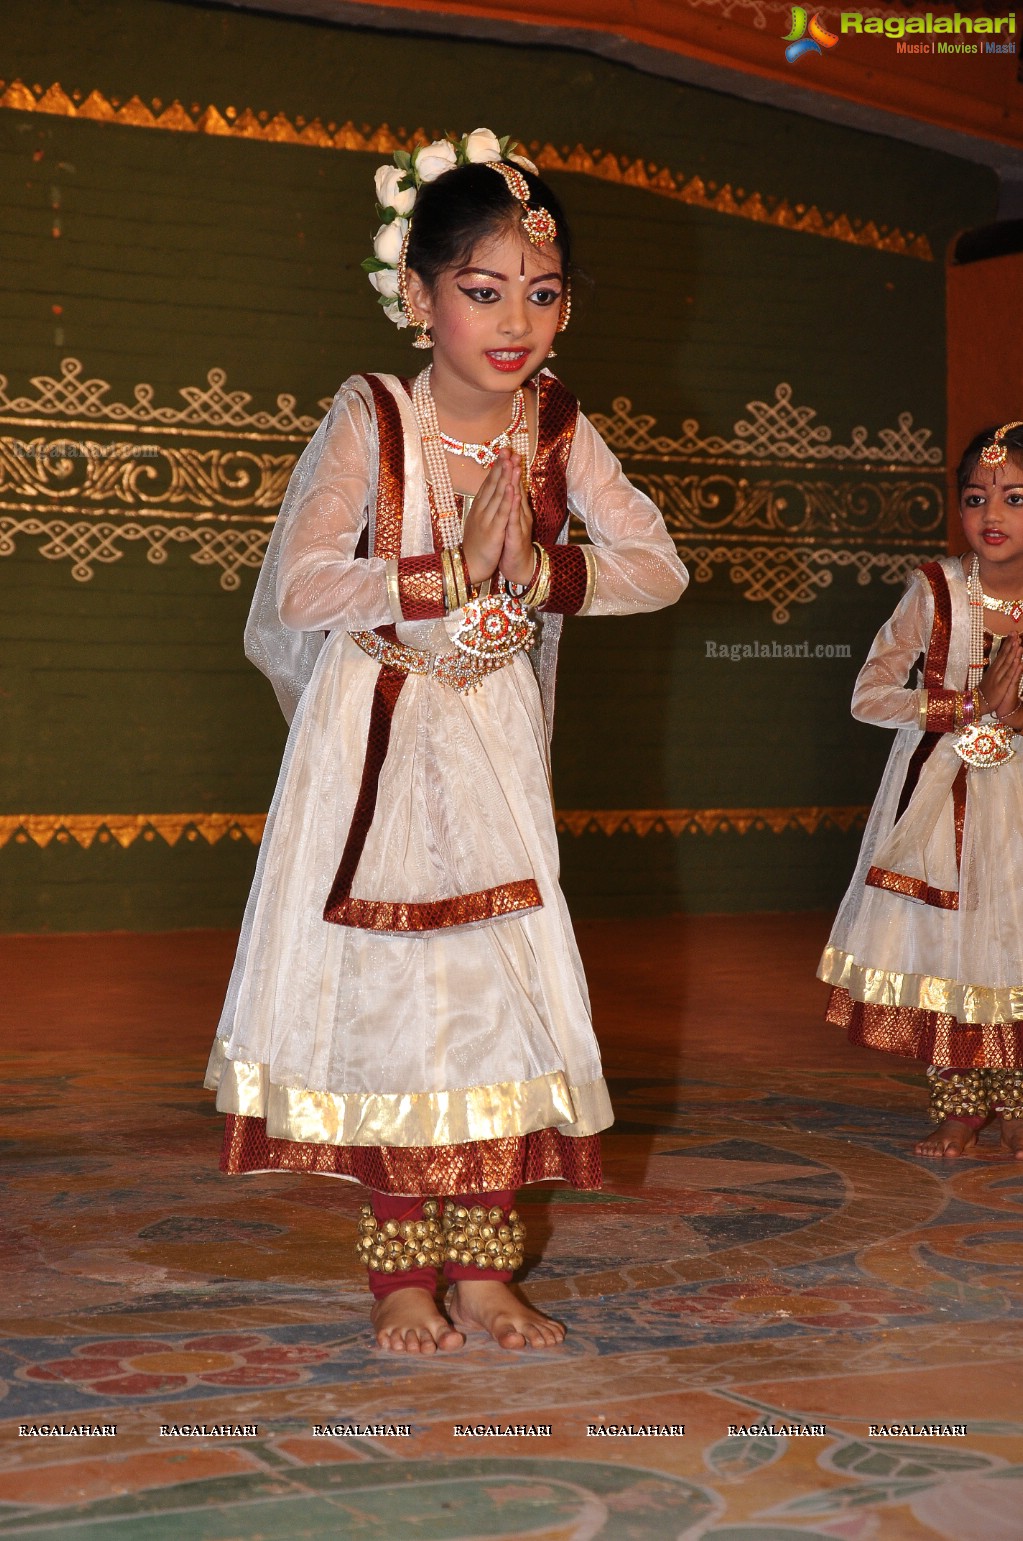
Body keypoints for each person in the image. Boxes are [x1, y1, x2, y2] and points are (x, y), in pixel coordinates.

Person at [204, 129, 688, 1351]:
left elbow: (660, 568)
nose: (514, 318)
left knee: (493, 991)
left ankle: (482, 1266)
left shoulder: (560, 429)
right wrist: (441, 571)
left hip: (487, 747)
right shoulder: (372, 414)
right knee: (392, 993)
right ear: (418, 296)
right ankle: (400, 1277)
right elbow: (304, 587)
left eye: (540, 290)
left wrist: (541, 564)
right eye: (482, 291)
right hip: (370, 744)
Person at [820, 420, 1023, 1159]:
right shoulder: (936, 590)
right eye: (975, 497)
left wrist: (1016, 713)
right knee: (953, 944)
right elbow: (867, 694)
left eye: (1013, 498)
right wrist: (962, 708)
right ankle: (962, 1106)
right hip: (946, 800)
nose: (990, 516)